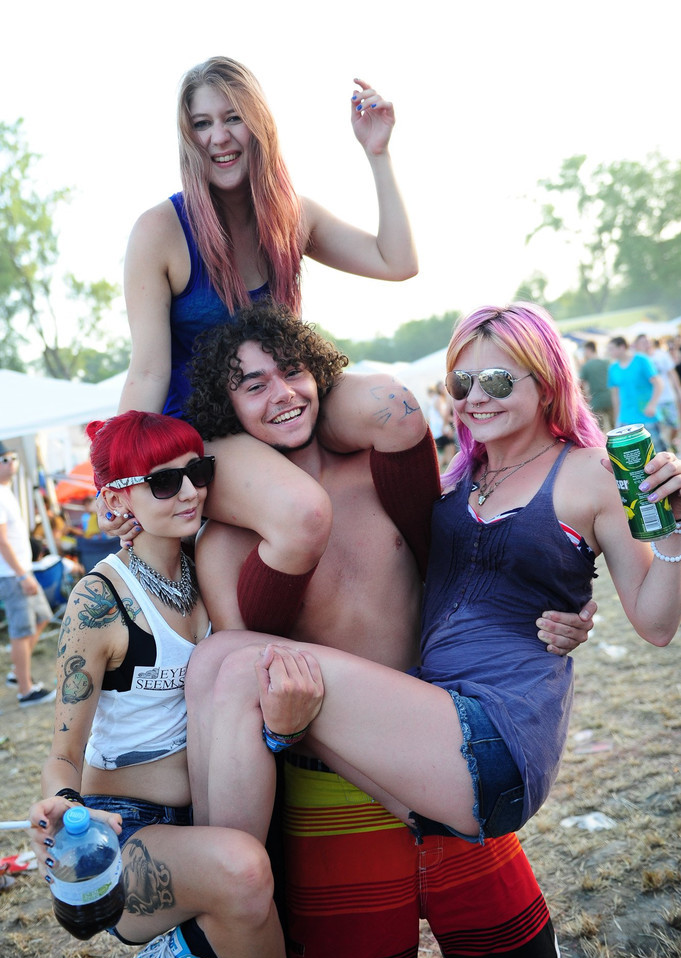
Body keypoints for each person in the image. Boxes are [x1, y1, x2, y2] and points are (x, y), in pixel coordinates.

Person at [101, 305, 595, 958]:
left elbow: (474, 564)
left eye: (291, 371)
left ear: (319, 376)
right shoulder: (226, 541)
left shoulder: (382, 472)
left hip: (432, 752)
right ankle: (213, 932)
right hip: (327, 802)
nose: (281, 395)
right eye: (252, 385)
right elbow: (242, 699)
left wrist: (563, 611)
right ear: (226, 408)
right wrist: (280, 728)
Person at [184, 302, 681, 878]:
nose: (476, 398)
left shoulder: (595, 472)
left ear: (547, 383)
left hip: (494, 732)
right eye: (461, 383)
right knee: (216, 659)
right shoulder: (460, 479)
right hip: (431, 739)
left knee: (235, 663)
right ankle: (218, 881)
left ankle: (224, 890)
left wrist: (675, 529)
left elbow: (656, 625)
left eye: (497, 381)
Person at [27, 411, 319, 958]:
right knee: (241, 873)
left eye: (198, 472)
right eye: (163, 482)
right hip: (128, 834)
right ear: (116, 499)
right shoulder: (100, 600)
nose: (189, 491)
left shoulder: (206, 564)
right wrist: (62, 803)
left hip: (214, 813)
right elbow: (62, 752)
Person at [117, 55, 416, 419]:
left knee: (396, 406)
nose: (219, 137)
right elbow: (147, 373)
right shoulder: (159, 231)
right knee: (277, 461)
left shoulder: (294, 217)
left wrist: (378, 153)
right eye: (202, 124)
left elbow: (397, 263)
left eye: (233, 118)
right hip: (206, 427)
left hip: (283, 408)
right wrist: (120, 452)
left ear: (259, 123)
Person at [0, 441, 56, 706]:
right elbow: (2, 542)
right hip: (13, 575)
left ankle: (17, 672)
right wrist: (22, 575)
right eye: (4, 460)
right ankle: (25, 691)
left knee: (43, 617)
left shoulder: (6, 491)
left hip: (21, 571)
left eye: (12, 458)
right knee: (22, 630)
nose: (11, 463)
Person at [607, 335, 664, 451]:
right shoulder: (613, 368)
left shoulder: (641, 360)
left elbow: (658, 384)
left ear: (622, 347)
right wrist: (617, 417)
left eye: (612, 349)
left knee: (657, 451)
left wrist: (652, 405)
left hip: (646, 415)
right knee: (633, 454)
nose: (609, 352)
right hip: (625, 419)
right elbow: (615, 395)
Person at [634, 335, 681, 451]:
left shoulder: (661, 355)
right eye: (643, 342)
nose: (646, 344)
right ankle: (666, 448)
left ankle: (670, 442)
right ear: (638, 345)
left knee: (675, 424)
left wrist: (678, 390)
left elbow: (672, 373)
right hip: (650, 401)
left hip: (667, 397)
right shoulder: (638, 360)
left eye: (647, 341)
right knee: (659, 428)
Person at [578, 340, 614, 433]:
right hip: (610, 398)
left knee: (599, 431)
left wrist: (585, 397)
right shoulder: (607, 362)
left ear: (589, 349)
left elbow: (580, 383)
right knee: (615, 427)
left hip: (596, 400)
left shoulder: (586, 366)